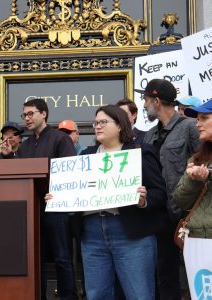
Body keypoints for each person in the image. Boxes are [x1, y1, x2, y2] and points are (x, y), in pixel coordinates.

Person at [67, 105, 167, 299]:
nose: (97, 126)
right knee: (96, 295)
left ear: (120, 125)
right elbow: (74, 192)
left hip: (131, 232)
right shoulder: (85, 156)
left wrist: (143, 201)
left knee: (139, 294)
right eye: (95, 123)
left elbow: (160, 193)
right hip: (92, 232)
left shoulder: (140, 152)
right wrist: (60, 198)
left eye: (103, 122)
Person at [1, 98, 77, 300]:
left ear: (43, 114)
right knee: (36, 259)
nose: (27, 118)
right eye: (24, 115)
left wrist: (56, 190)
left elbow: (70, 172)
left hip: (56, 207)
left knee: (62, 257)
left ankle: (67, 296)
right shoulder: (24, 147)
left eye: (30, 113)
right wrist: (9, 158)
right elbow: (18, 179)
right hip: (32, 209)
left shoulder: (61, 139)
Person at [136, 78, 200, 300]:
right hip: (161, 215)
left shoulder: (190, 127)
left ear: (156, 101)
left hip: (189, 214)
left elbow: (203, 163)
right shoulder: (150, 135)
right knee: (165, 274)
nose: (144, 105)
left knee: (197, 271)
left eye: (145, 100)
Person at [174, 99, 212, 238]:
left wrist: (208, 175)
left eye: (204, 118)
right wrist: (193, 180)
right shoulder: (197, 159)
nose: (198, 124)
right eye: (197, 119)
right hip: (198, 240)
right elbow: (180, 202)